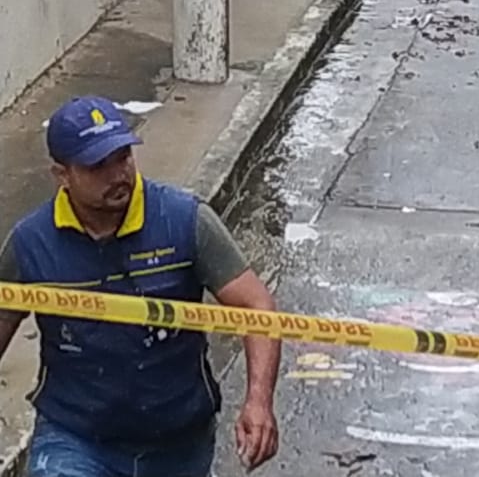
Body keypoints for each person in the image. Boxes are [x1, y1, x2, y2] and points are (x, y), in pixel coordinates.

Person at [0, 97, 279, 477]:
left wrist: (259, 401)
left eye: (123, 156)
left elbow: (256, 306)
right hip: (76, 438)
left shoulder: (185, 221)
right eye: (98, 165)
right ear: (62, 175)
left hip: (179, 442)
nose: (118, 174)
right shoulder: (30, 244)